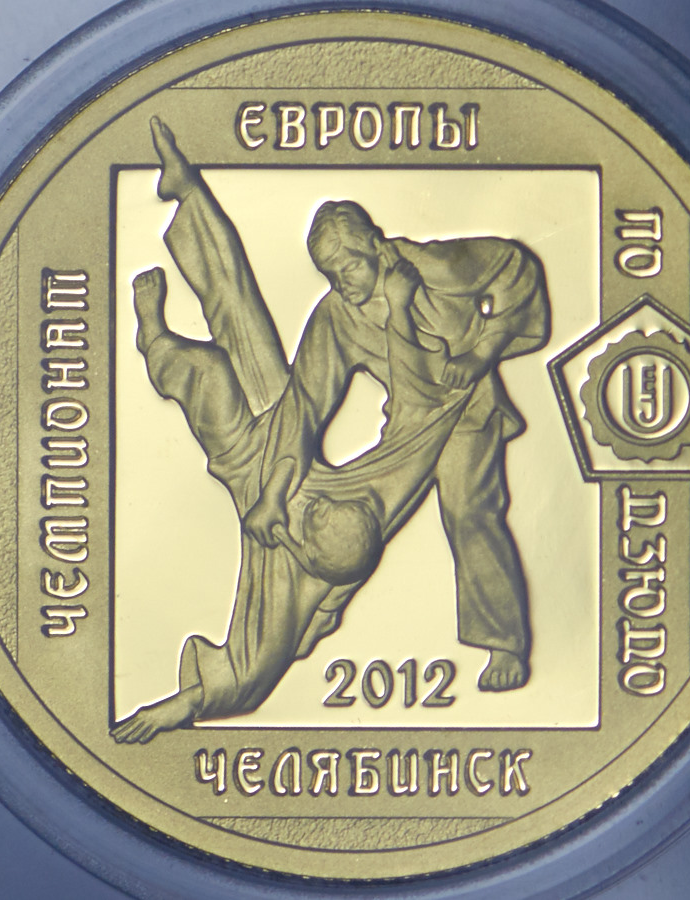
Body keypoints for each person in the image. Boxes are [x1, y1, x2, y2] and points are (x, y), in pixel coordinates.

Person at [112, 119, 477, 741]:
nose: (312, 507)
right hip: (286, 430)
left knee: (207, 371)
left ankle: (154, 341)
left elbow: (250, 678)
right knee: (240, 308)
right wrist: (462, 373)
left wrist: (176, 708)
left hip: (245, 461)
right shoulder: (374, 495)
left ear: (304, 551)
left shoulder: (289, 581)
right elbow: (412, 431)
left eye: (311, 521)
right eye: (326, 508)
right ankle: (187, 191)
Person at [244, 200, 551, 692]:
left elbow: (516, 268)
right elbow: (305, 401)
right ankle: (309, 617)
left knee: (468, 511)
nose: (342, 283)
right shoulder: (336, 314)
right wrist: (273, 494)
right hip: (407, 429)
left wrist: (481, 352)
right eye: (330, 274)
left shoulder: (432, 268)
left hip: (465, 414)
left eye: (348, 267)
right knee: (347, 523)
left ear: (374, 246)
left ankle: (504, 643)